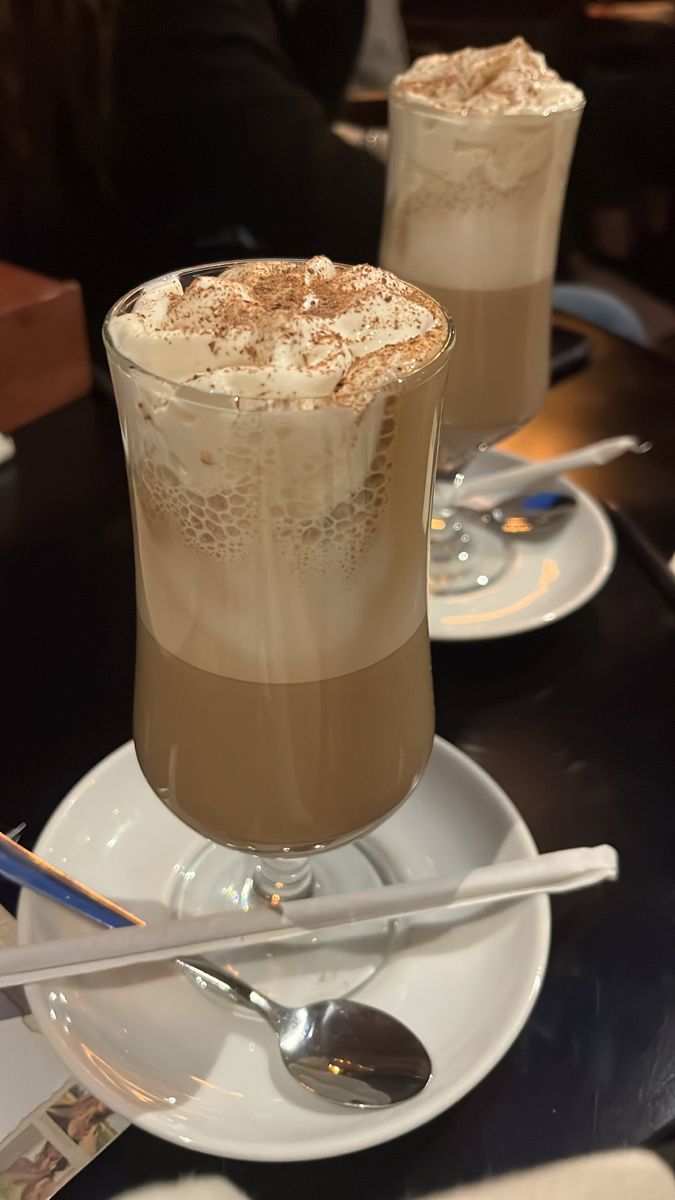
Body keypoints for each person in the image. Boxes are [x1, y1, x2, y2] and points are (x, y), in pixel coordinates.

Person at [0, 1, 386, 340]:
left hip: (74, 314)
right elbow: (338, 207)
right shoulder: (180, 18)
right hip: (123, 336)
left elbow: (304, 109)